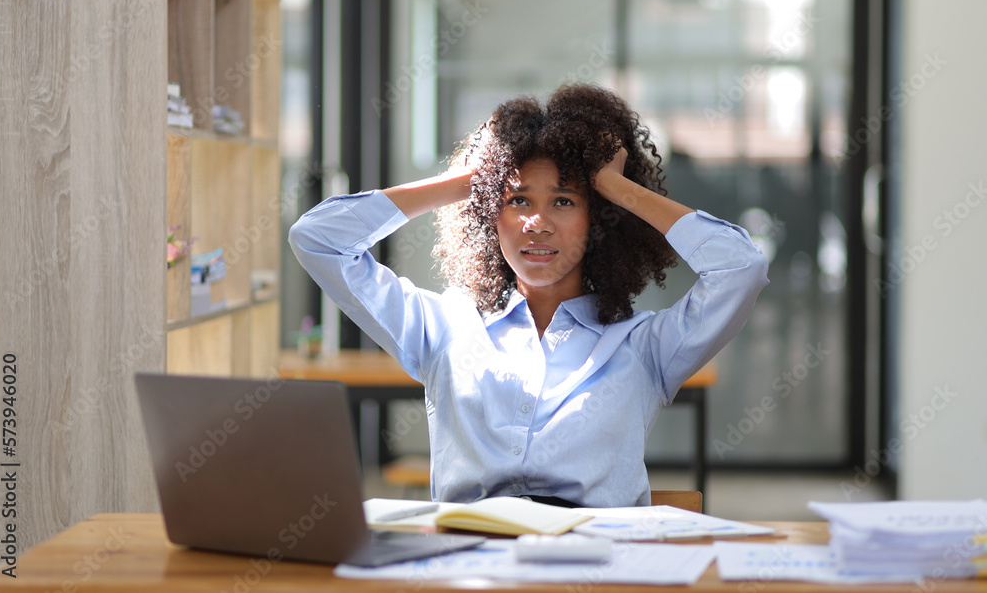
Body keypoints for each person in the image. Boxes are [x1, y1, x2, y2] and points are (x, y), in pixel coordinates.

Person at [289, 83, 769, 508]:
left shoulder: (644, 346)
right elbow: (317, 238)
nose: (536, 222)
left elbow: (741, 268)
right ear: (489, 214)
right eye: (517, 200)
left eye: (564, 200)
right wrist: (465, 183)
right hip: (470, 569)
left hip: (593, 571)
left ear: (598, 221)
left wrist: (619, 191)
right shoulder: (441, 327)